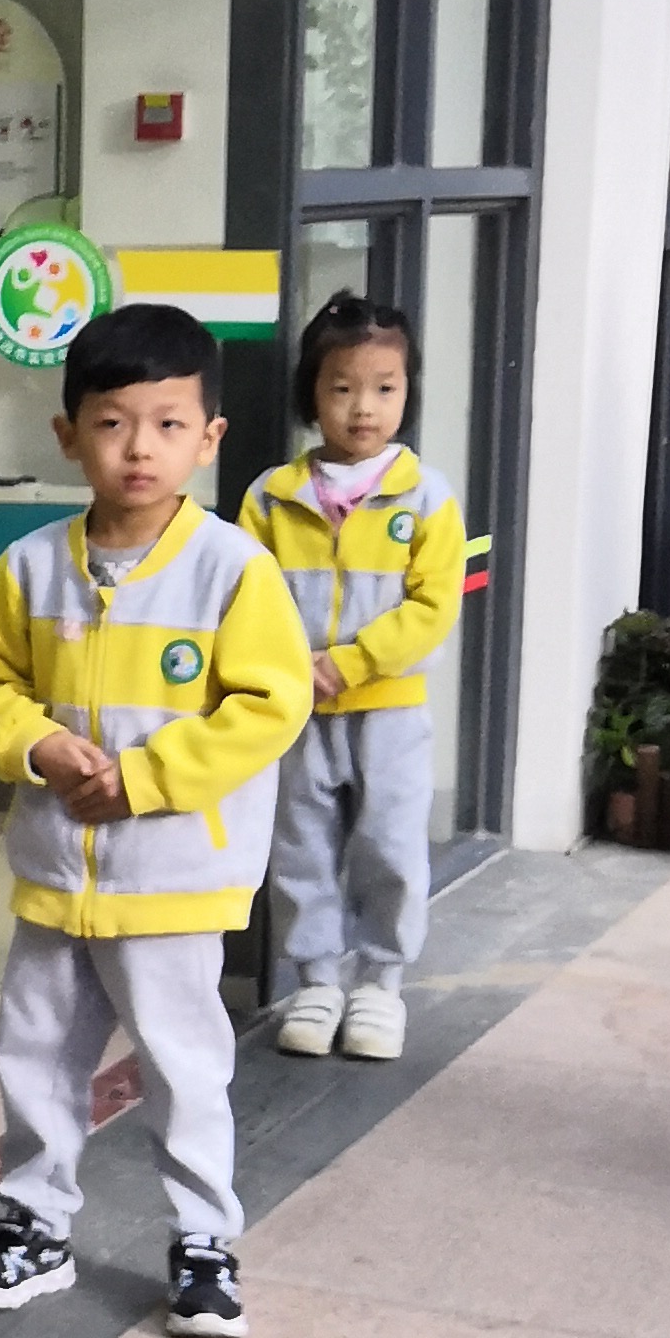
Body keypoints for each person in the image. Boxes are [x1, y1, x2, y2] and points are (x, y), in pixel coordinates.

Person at [0, 301, 312, 1338]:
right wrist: (36, 745)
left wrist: (146, 779)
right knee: (33, 1056)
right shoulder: (29, 567)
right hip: (54, 875)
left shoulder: (233, 569)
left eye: (166, 424)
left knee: (183, 1068)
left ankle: (204, 1242)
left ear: (209, 438)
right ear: (68, 436)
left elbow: (269, 707)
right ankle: (35, 1225)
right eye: (111, 424)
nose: (139, 448)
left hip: (173, 879)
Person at [240, 293, 464, 1064]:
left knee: (390, 844)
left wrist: (349, 662)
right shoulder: (270, 497)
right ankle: (316, 981)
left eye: (384, 387)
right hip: (297, 709)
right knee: (300, 844)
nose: (363, 407)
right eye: (342, 387)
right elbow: (247, 597)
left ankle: (380, 983)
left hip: (390, 711)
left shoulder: (428, 498)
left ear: (407, 393)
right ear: (312, 393)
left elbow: (432, 609)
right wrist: (286, 669)